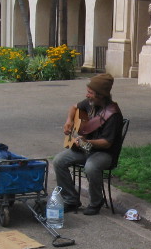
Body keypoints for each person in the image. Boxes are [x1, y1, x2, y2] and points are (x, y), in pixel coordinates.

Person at [52, 73, 123, 215]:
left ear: (101, 95)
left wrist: (86, 141)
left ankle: (96, 202)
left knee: (91, 167)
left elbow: (106, 143)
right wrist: (69, 121)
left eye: (90, 93)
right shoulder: (90, 103)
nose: (87, 95)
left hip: (105, 153)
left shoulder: (113, 115)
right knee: (58, 161)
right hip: (87, 148)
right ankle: (71, 200)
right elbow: (73, 107)